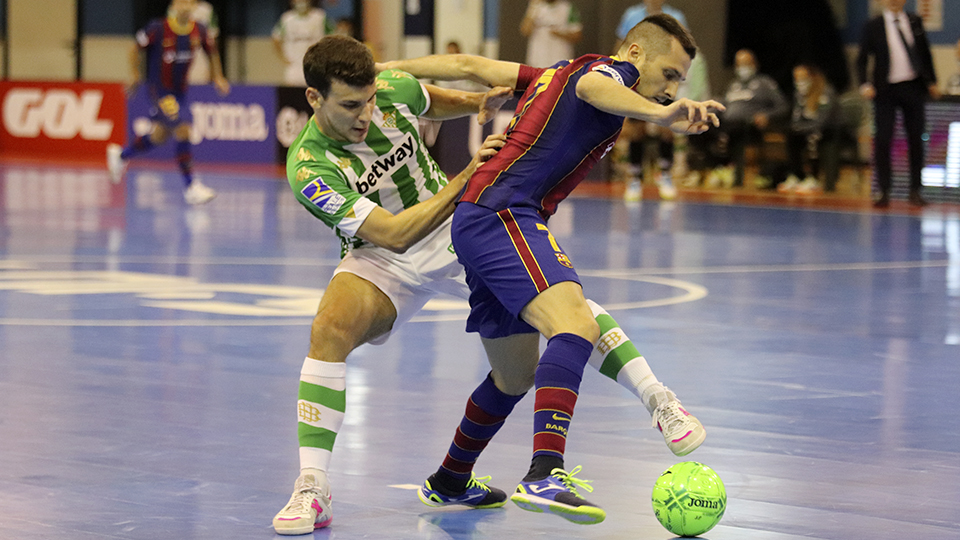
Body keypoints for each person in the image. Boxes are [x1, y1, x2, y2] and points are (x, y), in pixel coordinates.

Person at [274, 31, 709, 534]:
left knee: (527, 362)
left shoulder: (388, 90)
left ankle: (456, 478)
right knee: (328, 328)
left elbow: (430, 96)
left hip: (454, 233)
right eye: (351, 105)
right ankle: (312, 486)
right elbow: (392, 235)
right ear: (314, 98)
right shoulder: (308, 166)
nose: (366, 114)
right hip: (386, 249)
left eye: (371, 100)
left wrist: (473, 102)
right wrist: (463, 180)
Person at [106, 0, 229, 205]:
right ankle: (191, 186)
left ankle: (121, 155)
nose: (186, 5)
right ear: (174, 4)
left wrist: (218, 76)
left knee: (159, 136)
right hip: (159, 91)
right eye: (182, 1)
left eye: (190, 2)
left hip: (180, 92)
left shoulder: (199, 30)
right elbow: (134, 49)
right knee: (183, 129)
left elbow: (212, 51)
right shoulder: (157, 28)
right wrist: (135, 74)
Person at [856, 0, 939, 208]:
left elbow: (925, 53)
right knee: (883, 138)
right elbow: (862, 58)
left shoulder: (914, 21)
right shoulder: (873, 25)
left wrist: (931, 81)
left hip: (912, 87)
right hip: (886, 90)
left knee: (916, 138)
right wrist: (864, 83)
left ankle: (915, 190)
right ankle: (883, 190)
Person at [615, 0, 690, 201]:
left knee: (667, 127)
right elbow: (621, 45)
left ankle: (665, 175)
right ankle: (635, 178)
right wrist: (620, 72)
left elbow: (683, 48)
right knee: (636, 129)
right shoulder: (631, 15)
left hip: (664, 80)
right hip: (638, 80)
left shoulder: (676, 17)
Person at [708, 48, 788, 189]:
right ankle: (718, 168)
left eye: (746, 63)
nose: (742, 68)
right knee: (701, 129)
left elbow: (782, 106)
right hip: (727, 123)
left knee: (736, 131)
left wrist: (766, 116)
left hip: (749, 125)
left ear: (754, 64)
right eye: (739, 64)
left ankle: (735, 174)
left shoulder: (764, 83)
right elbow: (723, 105)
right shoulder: (733, 85)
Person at [779, 64, 838, 194]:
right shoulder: (799, 95)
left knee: (813, 137)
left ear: (812, 77)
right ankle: (797, 175)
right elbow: (796, 118)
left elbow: (823, 121)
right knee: (792, 136)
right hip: (806, 130)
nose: (799, 82)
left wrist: (803, 128)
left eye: (802, 78)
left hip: (828, 130)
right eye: (796, 78)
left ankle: (813, 179)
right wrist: (796, 128)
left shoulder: (825, 92)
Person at [273, 0, 334, 86]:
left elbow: (333, 36)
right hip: (294, 65)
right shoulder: (286, 19)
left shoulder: (320, 16)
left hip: (314, 65)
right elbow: (276, 38)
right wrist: (282, 57)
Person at [519, 0, 582, 68]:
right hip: (538, 60)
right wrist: (532, 10)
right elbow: (525, 30)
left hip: (560, 60)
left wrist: (559, 34)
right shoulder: (535, 6)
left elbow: (577, 35)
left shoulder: (567, 7)